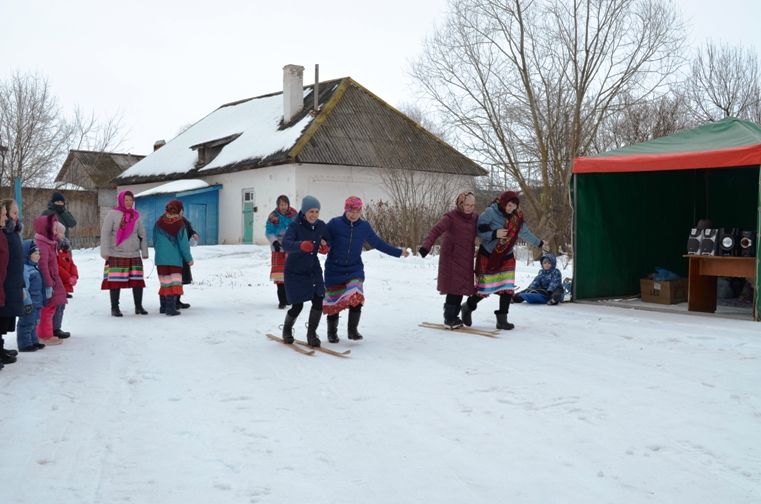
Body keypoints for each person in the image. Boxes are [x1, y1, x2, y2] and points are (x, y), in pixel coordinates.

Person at [323, 196, 408, 343]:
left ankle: (352, 330)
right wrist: (322, 244)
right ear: (345, 209)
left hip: (354, 269)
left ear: (361, 211)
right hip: (334, 268)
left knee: (356, 297)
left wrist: (398, 252)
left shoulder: (364, 227)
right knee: (334, 303)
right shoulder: (334, 224)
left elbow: (378, 243)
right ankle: (332, 332)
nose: (354, 214)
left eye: (357, 211)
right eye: (351, 211)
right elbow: (324, 239)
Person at [460, 191, 546, 330]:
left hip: (507, 256)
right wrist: (495, 234)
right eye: (509, 205)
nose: (510, 208)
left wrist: (539, 243)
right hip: (489, 255)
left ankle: (502, 320)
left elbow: (525, 233)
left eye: (514, 206)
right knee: (484, 289)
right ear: (503, 202)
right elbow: (478, 231)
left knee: (507, 288)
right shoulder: (490, 212)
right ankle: (467, 307)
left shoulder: (516, 217)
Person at [419, 192, 478, 329]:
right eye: (467, 205)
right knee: (454, 288)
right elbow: (436, 230)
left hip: (466, 257)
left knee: (461, 288)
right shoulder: (451, 217)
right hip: (451, 257)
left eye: (472, 205)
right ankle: (449, 318)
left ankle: (454, 317)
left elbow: (483, 230)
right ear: (460, 204)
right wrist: (426, 247)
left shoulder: (475, 218)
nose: (470, 208)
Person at [281, 195, 330, 347]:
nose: (314, 215)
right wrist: (300, 245)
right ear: (304, 211)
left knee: (318, 299)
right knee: (298, 305)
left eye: (316, 211)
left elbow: (328, 239)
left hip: (312, 268)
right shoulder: (294, 226)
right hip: (295, 269)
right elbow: (286, 244)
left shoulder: (321, 225)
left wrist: (325, 246)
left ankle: (311, 334)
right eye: (311, 211)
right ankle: (287, 330)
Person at [101, 190, 149, 316]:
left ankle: (138, 307)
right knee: (115, 282)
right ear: (121, 200)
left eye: (131, 200)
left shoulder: (136, 215)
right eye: (126, 200)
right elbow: (105, 233)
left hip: (133, 253)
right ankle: (115, 308)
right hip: (116, 253)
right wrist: (105, 251)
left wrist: (144, 251)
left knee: (137, 281)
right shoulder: (112, 214)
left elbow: (142, 234)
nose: (128, 202)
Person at [153, 200, 194, 316]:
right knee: (173, 283)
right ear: (178, 210)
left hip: (160, 259)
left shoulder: (159, 222)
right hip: (174, 260)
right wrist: (188, 259)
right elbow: (184, 244)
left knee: (164, 282)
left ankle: (163, 306)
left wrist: (160, 252)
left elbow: (154, 240)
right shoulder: (179, 224)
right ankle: (170, 308)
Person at [34, 214, 66, 345]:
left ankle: (47, 333)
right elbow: (43, 266)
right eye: (53, 227)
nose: (55, 230)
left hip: (53, 279)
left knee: (51, 307)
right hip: (48, 281)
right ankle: (45, 336)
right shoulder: (42, 244)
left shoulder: (49, 243)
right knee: (47, 309)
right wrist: (48, 284)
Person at [0, 199, 25, 364]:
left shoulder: (12, 233)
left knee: (5, 318)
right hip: (6, 282)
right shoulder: (5, 234)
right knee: (2, 317)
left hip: (13, 280)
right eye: (13, 213)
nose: (16, 216)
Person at [265, 195, 298, 309]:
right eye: (281, 204)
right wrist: (274, 242)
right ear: (278, 205)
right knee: (279, 275)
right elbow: (269, 231)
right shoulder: (273, 216)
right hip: (278, 247)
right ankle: (282, 300)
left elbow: (299, 229)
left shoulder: (294, 215)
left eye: (285, 204)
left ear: (288, 204)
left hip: (291, 247)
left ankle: (289, 298)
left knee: (291, 274)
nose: (283, 207)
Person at [18, 240, 45, 352]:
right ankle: (24, 344)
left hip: (37, 301)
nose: (38, 256)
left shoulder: (34, 267)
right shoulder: (25, 269)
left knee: (34, 322)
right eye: (35, 253)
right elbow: (24, 287)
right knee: (26, 323)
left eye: (39, 253)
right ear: (27, 255)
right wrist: (27, 302)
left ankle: (33, 341)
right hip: (29, 302)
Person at [54, 224, 78, 337]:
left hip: (66, 283)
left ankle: (57, 327)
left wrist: (74, 276)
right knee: (56, 306)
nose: (64, 235)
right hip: (59, 283)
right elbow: (57, 267)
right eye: (61, 232)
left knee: (61, 306)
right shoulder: (54, 249)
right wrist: (68, 277)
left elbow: (72, 263)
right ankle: (53, 328)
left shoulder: (65, 248)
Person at [176, 207, 199, 310]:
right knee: (173, 279)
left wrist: (194, 234)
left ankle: (177, 300)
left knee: (181, 278)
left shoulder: (184, 221)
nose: (180, 212)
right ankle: (170, 301)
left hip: (183, 254)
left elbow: (190, 230)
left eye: (181, 210)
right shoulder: (169, 221)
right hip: (173, 254)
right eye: (178, 210)